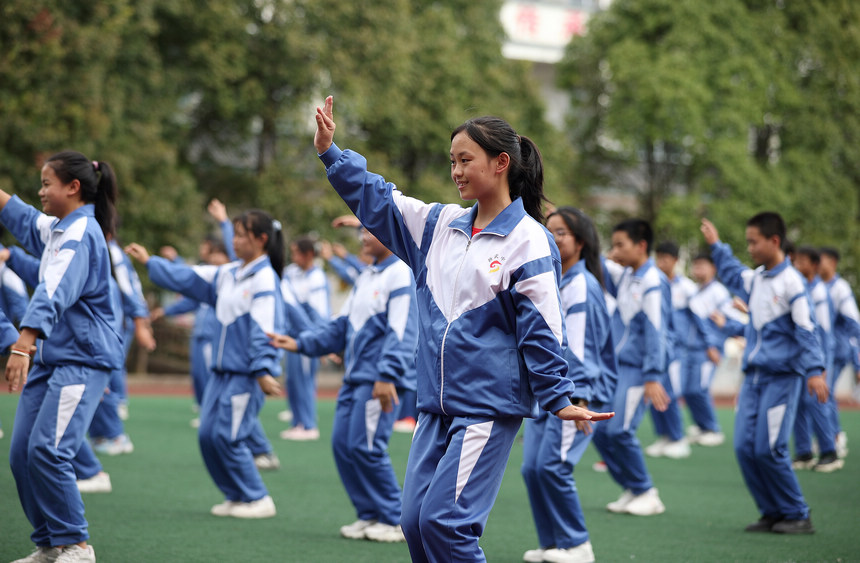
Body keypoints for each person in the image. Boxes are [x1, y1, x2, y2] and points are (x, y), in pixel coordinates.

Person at [312, 96, 612, 562]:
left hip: (486, 408)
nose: (456, 170)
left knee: (446, 524)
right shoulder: (439, 224)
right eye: (452, 161)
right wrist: (331, 153)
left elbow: (542, 329)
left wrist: (558, 396)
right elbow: (380, 199)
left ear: (501, 163)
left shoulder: (530, 240)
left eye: (465, 160)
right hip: (434, 404)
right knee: (414, 523)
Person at [3, 150, 124, 563]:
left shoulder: (81, 232)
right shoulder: (58, 227)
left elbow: (53, 289)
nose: (40, 192)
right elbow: (21, 216)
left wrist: (23, 343)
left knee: (49, 450)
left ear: (73, 188)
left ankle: (76, 545)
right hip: (55, 357)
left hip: (82, 360)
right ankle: (51, 544)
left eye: (46, 184)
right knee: (22, 453)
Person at [125, 209, 286, 519]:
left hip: (245, 375)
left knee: (228, 436)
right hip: (222, 373)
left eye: (241, 235)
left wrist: (263, 369)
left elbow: (265, 329)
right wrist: (152, 263)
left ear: (262, 239)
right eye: (234, 234)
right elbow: (190, 277)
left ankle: (257, 497)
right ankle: (236, 496)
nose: (234, 241)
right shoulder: (229, 273)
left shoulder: (265, 279)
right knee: (208, 435)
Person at [270, 226, 419, 543]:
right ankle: (369, 514)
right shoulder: (368, 275)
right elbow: (341, 326)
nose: (363, 237)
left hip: (378, 380)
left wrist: (387, 375)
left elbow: (403, 330)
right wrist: (301, 343)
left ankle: (394, 519)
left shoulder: (401, 273)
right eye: (362, 230)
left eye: (371, 230)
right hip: (355, 377)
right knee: (342, 446)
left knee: (367, 448)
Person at [701, 213, 827, 534]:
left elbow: (807, 329)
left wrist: (815, 370)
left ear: (774, 241)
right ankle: (772, 512)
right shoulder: (757, 278)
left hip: (782, 379)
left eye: (754, 242)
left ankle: (797, 513)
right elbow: (732, 273)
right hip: (753, 378)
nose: (750, 248)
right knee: (744, 448)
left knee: (769, 449)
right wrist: (716, 245)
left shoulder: (792, 282)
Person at [521, 207, 617, 563]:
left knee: (552, 465)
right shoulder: (554, 279)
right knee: (532, 468)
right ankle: (552, 544)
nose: (554, 237)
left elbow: (582, 348)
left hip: (574, 393)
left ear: (581, 242)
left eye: (562, 232)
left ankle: (577, 545)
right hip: (550, 391)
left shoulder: (581, 285)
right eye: (550, 231)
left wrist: (580, 396)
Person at [593, 218, 670, 516]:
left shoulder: (652, 280)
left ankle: (647, 492)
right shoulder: (628, 274)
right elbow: (598, 266)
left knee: (620, 431)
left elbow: (656, 330)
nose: (615, 251)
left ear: (641, 246)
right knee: (601, 431)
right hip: (618, 367)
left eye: (620, 245)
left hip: (639, 370)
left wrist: (653, 375)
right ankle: (632, 488)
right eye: (612, 245)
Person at [682, 252, 743, 447]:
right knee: (689, 391)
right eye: (695, 265)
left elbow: (731, 319)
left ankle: (712, 429)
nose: (697, 269)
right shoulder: (695, 290)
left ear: (713, 268)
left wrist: (715, 345)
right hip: (692, 349)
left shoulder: (718, 292)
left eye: (702, 265)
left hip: (709, 350)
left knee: (699, 389)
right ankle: (702, 427)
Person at [790, 246, 842, 472]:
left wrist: (821, 365)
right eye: (796, 261)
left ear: (814, 265)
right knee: (800, 402)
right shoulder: (803, 286)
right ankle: (804, 452)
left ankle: (830, 451)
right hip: (803, 356)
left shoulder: (819, 291)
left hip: (818, 356)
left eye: (802, 261)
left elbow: (823, 332)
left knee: (816, 400)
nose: (797, 265)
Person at [646, 241, 694, 459]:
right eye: (658, 258)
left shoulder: (687, 287)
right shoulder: (653, 281)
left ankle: (678, 438)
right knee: (655, 394)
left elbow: (699, 318)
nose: (661, 262)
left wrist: (710, 345)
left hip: (675, 351)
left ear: (675, 260)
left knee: (671, 395)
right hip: (657, 350)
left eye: (666, 258)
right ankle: (664, 436)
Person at [281, 234, 331, 441]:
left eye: (296, 253)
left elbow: (319, 313)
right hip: (292, 336)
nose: (293, 257)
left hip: (308, 336)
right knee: (292, 380)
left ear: (309, 254)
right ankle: (297, 422)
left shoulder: (317, 277)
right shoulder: (291, 272)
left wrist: (320, 340)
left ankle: (309, 425)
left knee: (304, 380)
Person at [819, 247, 860, 459]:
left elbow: (854, 323)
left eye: (822, 260)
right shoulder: (818, 285)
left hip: (838, 350)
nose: (818, 264)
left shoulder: (840, 287)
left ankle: (835, 437)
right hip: (824, 350)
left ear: (833, 262)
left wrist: (857, 359)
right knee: (822, 393)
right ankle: (827, 436)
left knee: (825, 393)